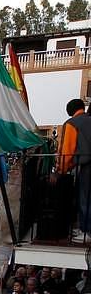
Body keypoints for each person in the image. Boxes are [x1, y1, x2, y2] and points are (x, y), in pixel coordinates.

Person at [57, 97, 91, 240]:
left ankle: (87, 231)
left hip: (86, 166)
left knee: (85, 199)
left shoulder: (71, 123)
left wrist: (62, 170)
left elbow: (67, 151)